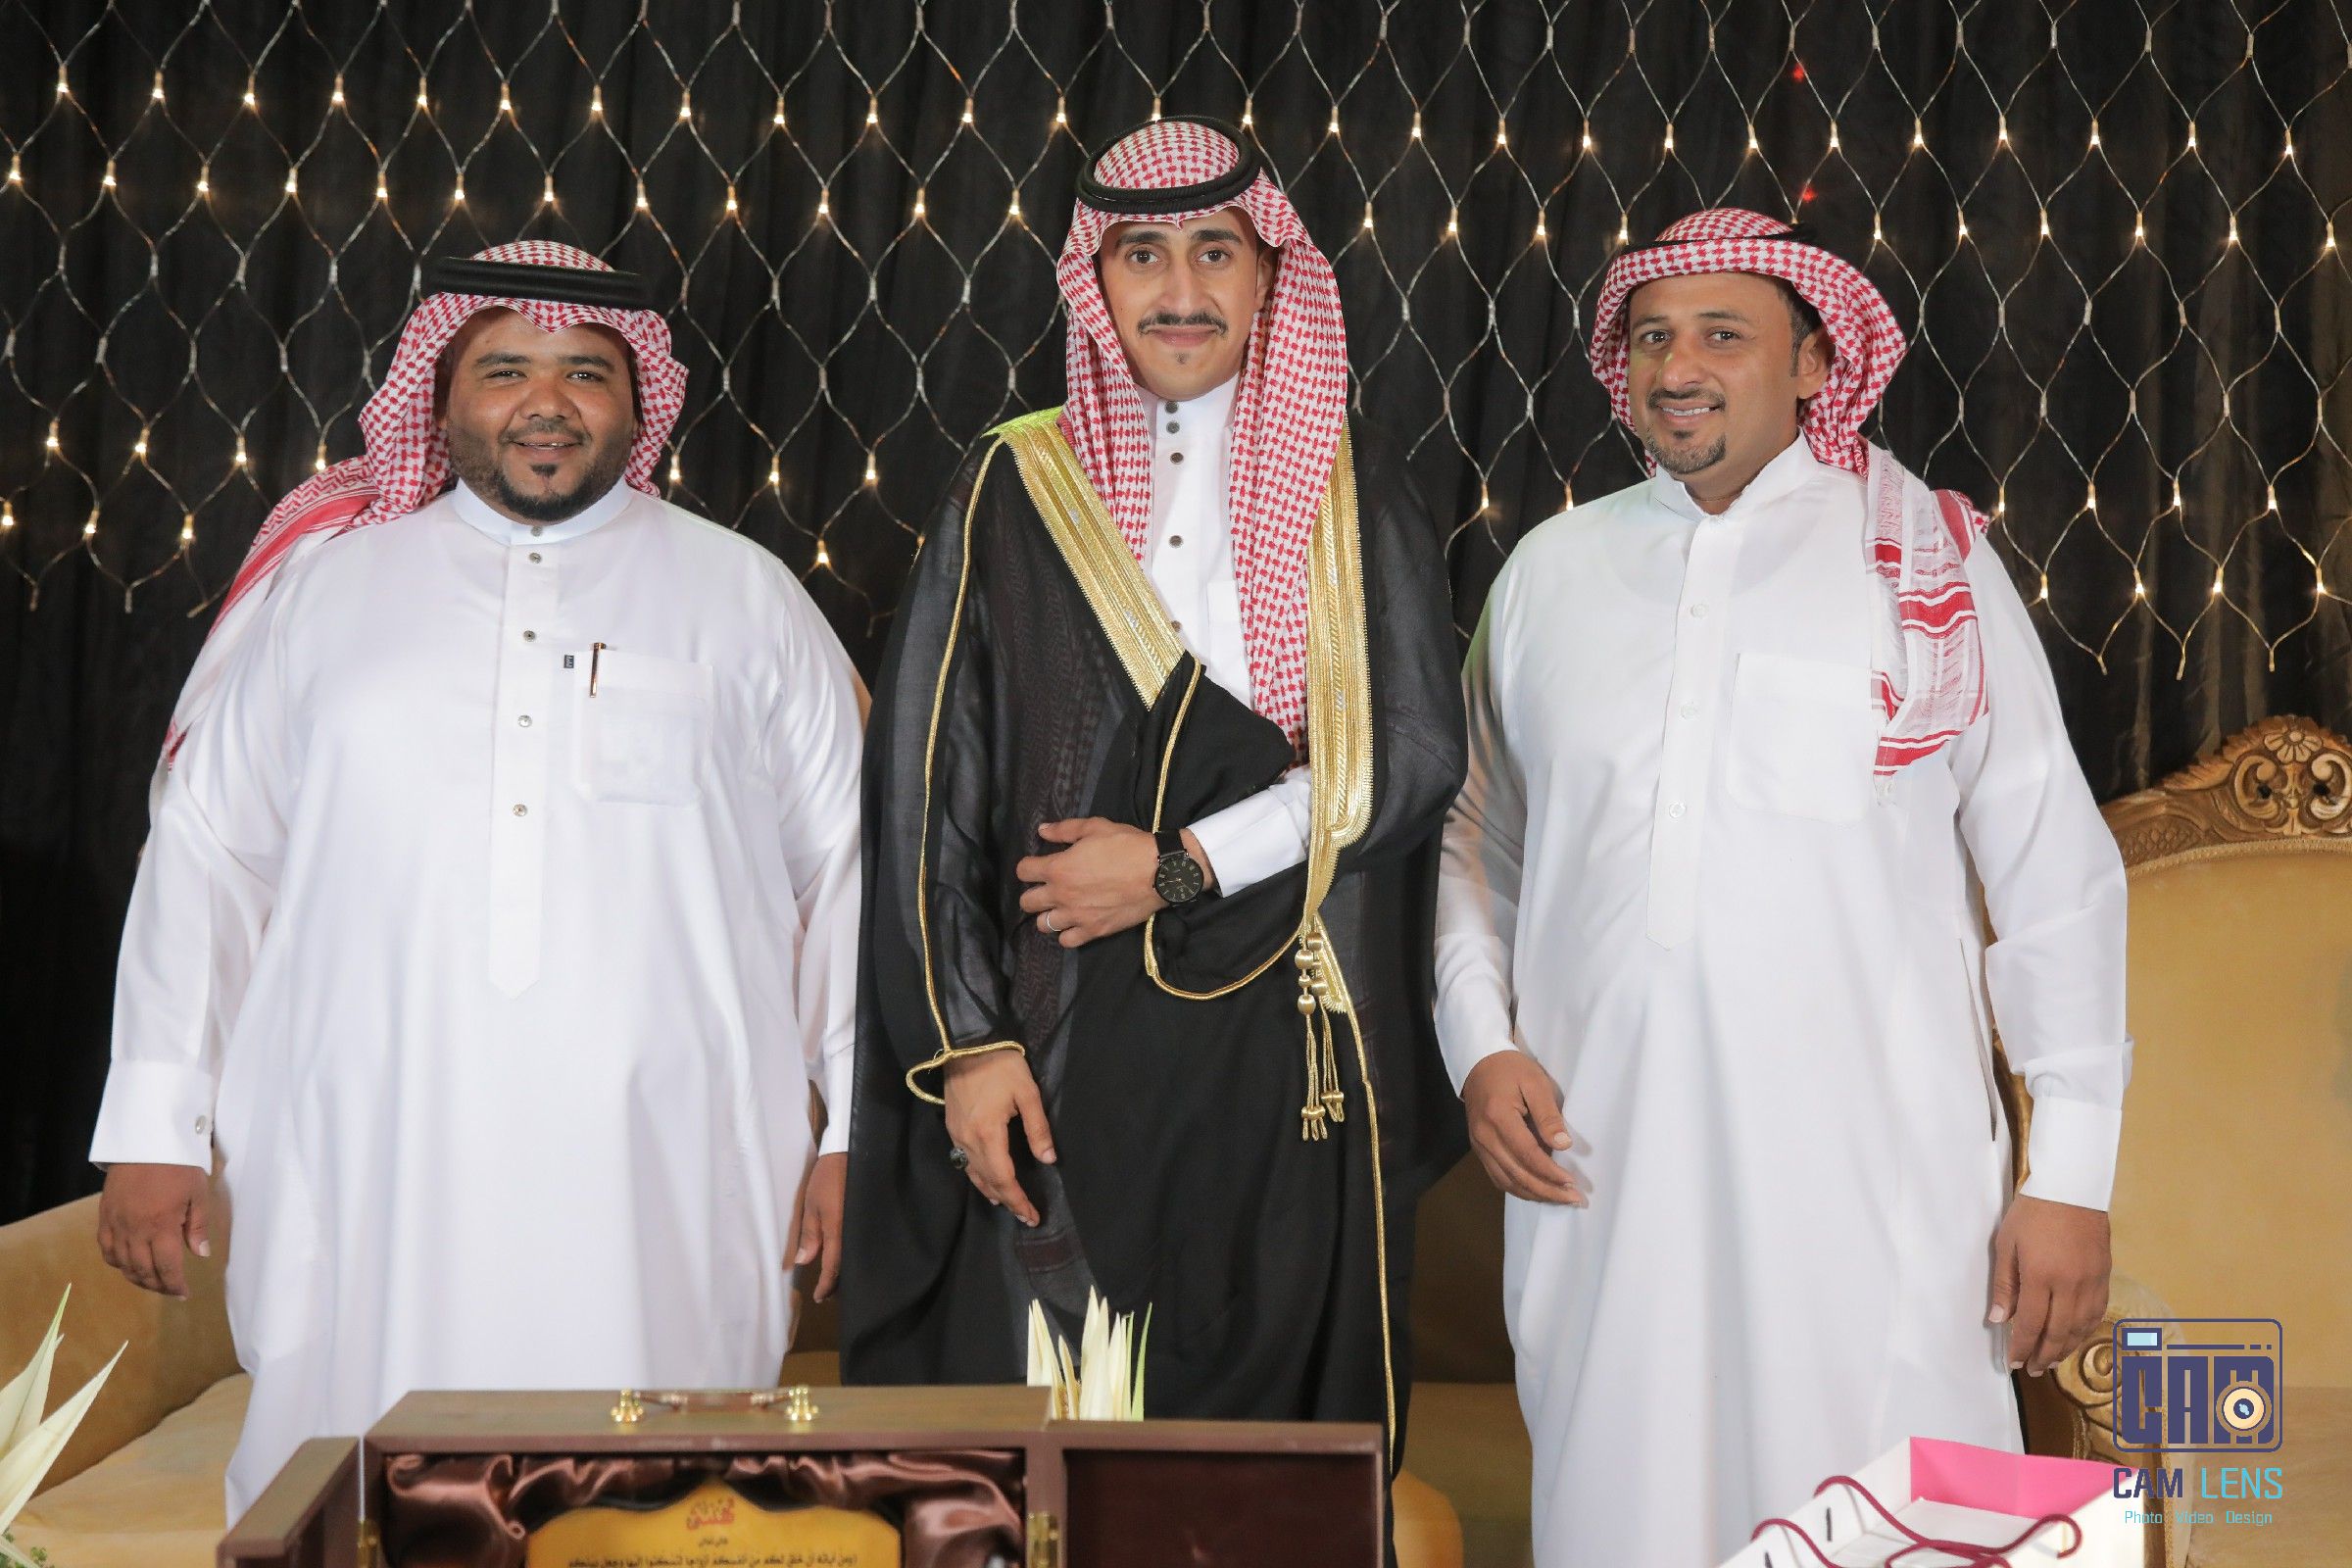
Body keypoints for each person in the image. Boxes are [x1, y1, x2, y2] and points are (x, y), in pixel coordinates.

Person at [90, 241, 863, 1516]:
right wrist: (152, 1126)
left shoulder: (748, 599)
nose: (545, 403)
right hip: (364, 1145)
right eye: (504, 370)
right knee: (346, 1484)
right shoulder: (323, 595)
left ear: (639, 402)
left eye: (586, 373)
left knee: (655, 1505)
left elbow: (847, 874)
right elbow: (207, 859)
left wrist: (855, 1135)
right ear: (440, 397)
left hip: (669, 1160)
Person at [1433, 209, 2130, 1565]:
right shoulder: (1550, 574)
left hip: (1874, 1182)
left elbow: (2054, 868)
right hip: (1603, 1170)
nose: (1678, 367)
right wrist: (1480, 1044)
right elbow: (1479, 834)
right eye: (1652, 337)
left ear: (1815, 362)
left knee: (1888, 1513)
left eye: (1723, 335)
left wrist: (2072, 1176)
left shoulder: (1926, 561)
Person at [841, 118, 1467, 1467]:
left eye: (1214, 252)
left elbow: (1411, 755)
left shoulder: (1355, 484)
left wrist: (1179, 864)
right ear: (1096, 278)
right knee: (1059, 1426)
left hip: (1294, 1035)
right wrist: (970, 1047)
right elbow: (927, 793)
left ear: (1268, 271)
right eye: (1142, 255)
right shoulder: (1014, 483)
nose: (1180, 291)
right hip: (1057, 1035)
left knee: (1271, 1448)